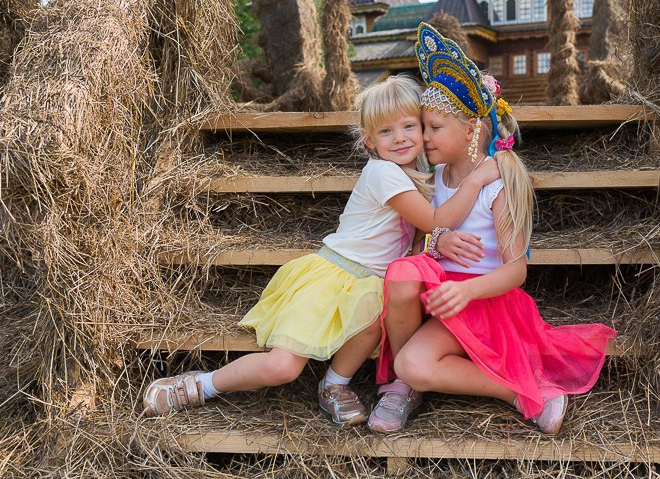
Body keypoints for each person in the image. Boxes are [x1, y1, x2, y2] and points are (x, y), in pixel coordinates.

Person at [142, 75, 500, 426]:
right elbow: (435, 218)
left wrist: (438, 240)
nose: (400, 138)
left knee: (371, 324)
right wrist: (478, 179)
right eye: (386, 131)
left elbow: (420, 231)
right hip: (336, 276)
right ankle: (199, 385)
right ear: (369, 140)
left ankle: (334, 385)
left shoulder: (418, 171)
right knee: (281, 367)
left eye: (409, 126)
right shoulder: (384, 174)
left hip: (370, 283)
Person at [368, 23, 617, 436]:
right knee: (403, 279)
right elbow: (417, 241)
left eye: (434, 128)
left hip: (482, 300)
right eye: (423, 127)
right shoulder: (433, 176)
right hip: (438, 292)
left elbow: (516, 270)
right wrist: (439, 240)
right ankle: (404, 386)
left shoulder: (496, 184)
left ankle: (525, 393)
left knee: (412, 362)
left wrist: (467, 292)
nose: (423, 138)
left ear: (471, 130)